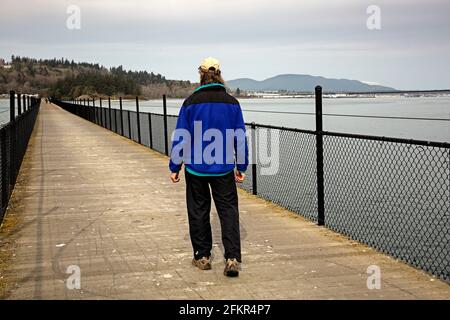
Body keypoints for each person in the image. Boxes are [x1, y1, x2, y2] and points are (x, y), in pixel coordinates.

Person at [169, 57, 248, 277]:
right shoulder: (232, 103)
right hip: (223, 168)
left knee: (198, 211)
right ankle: (232, 258)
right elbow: (239, 138)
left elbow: (181, 137)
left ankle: (202, 256)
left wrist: (175, 166)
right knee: (228, 211)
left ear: (200, 74)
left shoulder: (190, 103)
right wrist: (241, 165)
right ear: (219, 74)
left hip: (195, 168)